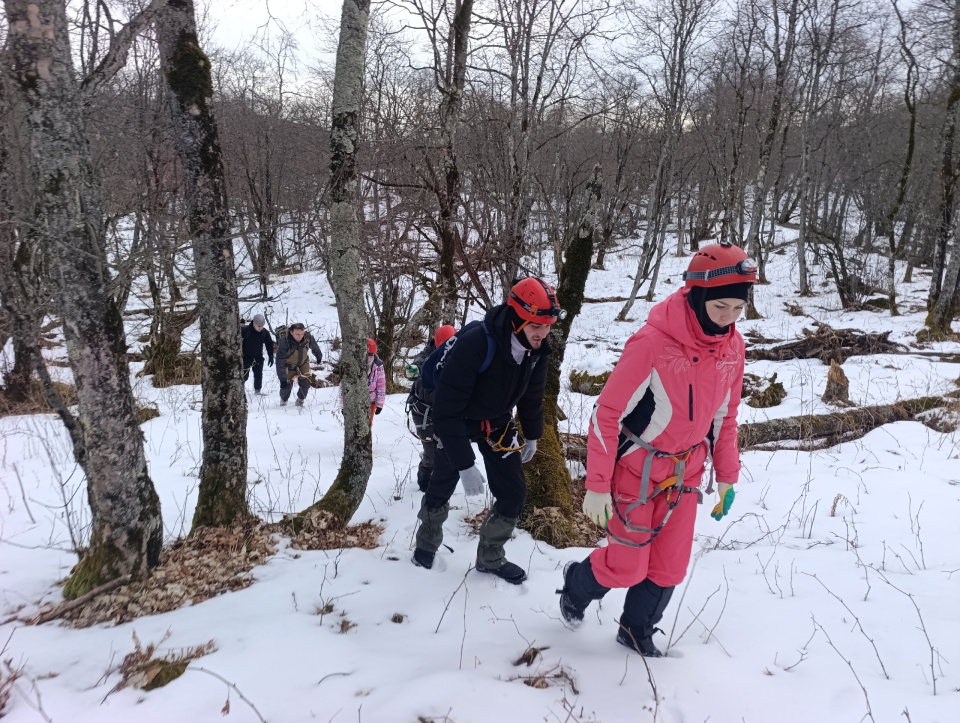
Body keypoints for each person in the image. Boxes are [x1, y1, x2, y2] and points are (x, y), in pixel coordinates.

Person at [557, 241, 755, 657]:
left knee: (669, 567)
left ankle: (636, 630)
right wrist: (596, 484)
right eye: (721, 306)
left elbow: (726, 418)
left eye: (739, 308)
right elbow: (606, 415)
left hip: (685, 473)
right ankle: (576, 584)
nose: (729, 318)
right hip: (636, 470)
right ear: (697, 295)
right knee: (626, 566)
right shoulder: (651, 344)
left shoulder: (733, 349)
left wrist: (727, 477)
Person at [412, 278, 563, 584]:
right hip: (457, 421)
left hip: (497, 422)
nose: (542, 333)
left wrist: (532, 433)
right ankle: (426, 544)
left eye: (548, 326)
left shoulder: (537, 351)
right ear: (517, 318)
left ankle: (490, 556)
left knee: (514, 492)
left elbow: (532, 396)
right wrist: (465, 464)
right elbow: (446, 409)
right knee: (441, 485)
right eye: (536, 325)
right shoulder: (477, 343)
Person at [406, 325, 457, 491]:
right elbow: (418, 363)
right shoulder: (426, 355)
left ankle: (439, 484)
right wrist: (416, 369)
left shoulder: (458, 355)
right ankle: (424, 485)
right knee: (431, 455)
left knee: (446, 452)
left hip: (445, 414)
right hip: (423, 413)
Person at [276, 322, 323, 407]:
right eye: (297, 334)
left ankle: (300, 401)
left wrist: (319, 356)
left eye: (302, 333)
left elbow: (315, 347)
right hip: (288, 366)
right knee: (286, 386)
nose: (300, 336)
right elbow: (279, 361)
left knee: (306, 384)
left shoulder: (307, 338)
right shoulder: (285, 342)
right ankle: (283, 401)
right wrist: (282, 379)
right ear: (291, 332)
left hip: (303, 363)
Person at [241, 314, 274, 395]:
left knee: (258, 374)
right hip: (246, 356)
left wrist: (271, 356)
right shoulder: (245, 330)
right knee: (244, 375)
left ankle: (257, 390)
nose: (260, 328)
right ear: (254, 323)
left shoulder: (264, 332)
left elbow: (269, 344)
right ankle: (239, 390)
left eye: (262, 326)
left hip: (258, 356)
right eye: (258, 326)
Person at [367, 338, 386, 424]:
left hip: (372, 401)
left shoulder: (378, 365)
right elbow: (343, 387)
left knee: (368, 424)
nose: (369, 358)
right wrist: (343, 406)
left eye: (371, 355)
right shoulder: (355, 365)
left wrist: (380, 404)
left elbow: (381, 385)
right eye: (367, 355)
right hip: (356, 401)